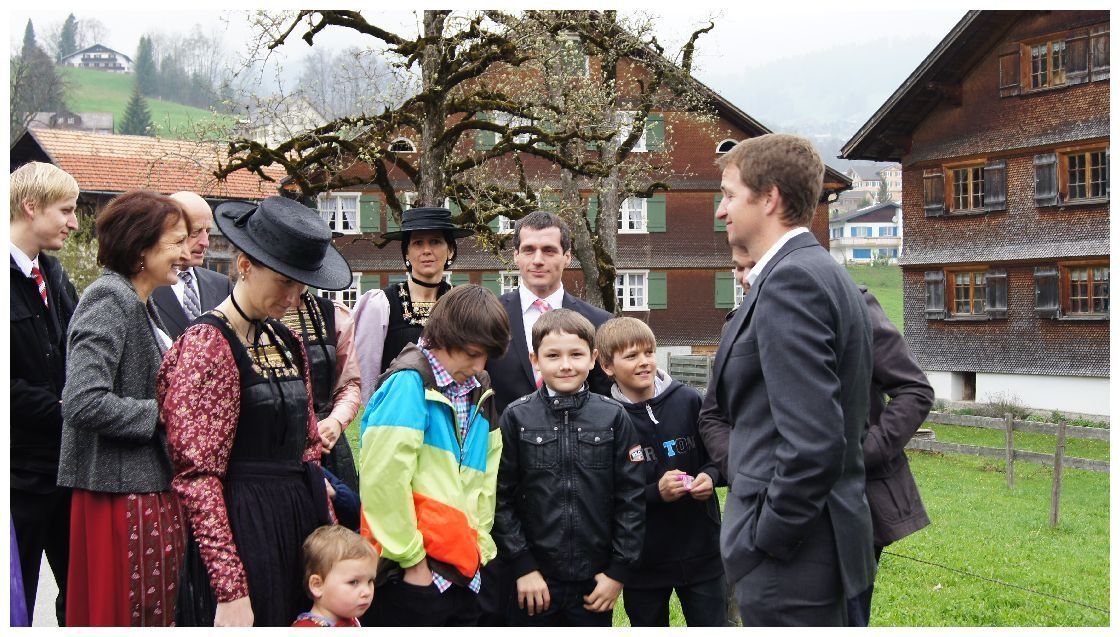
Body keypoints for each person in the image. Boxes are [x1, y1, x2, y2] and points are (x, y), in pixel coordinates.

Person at [158, 196, 351, 626]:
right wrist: (230, 589)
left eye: (302, 286)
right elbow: (197, 477)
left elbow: (308, 449)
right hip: (243, 532)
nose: (295, 298)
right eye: (284, 282)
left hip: (298, 525)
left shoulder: (287, 340)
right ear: (245, 265)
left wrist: (331, 547)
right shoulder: (207, 345)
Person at [711, 133, 875, 626]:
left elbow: (814, 442)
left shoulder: (791, 280)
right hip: (817, 549)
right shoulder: (818, 269)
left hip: (794, 563)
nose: (721, 211)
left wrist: (766, 540)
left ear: (770, 198)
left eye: (729, 195)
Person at [57, 189, 192, 626]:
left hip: (141, 491)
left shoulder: (140, 302)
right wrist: (165, 414)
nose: (186, 254)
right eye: (176, 242)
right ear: (140, 248)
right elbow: (82, 401)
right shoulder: (109, 298)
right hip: (119, 499)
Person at [358, 284, 510, 627]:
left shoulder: (481, 390)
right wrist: (411, 560)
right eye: (471, 353)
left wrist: (479, 544)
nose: (479, 365)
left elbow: (487, 477)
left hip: (463, 567)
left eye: (485, 355)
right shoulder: (407, 385)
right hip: (411, 571)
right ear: (444, 337)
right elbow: (383, 481)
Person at [493, 309, 645, 627]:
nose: (565, 365)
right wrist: (522, 565)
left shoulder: (614, 417)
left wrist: (617, 572)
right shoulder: (516, 417)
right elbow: (499, 497)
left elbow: (631, 497)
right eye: (553, 355)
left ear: (593, 359)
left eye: (576, 354)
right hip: (534, 581)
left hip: (595, 581)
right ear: (535, 360)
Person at [595, 317, 726, 627]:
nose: (644, 362)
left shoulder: (689, 400)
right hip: (643, 560)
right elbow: (605, 492)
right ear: (607, 366)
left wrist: (710, 477)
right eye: (631, 356)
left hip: (702, 553)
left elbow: (717, 457)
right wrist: (656, 493)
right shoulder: (606, 418)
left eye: (649, 352)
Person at [9, 161, 80, 626]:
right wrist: (64, 408)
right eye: (66, 210)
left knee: (80, 598)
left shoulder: (53, 275)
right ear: (31, 207)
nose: (74, 223)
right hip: (18, 476)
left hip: (66, 468)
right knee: (16, 604)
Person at [845, 286, 933, 626]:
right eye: (738, 268)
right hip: (777, 509)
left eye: (749, 267)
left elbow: (914, 390)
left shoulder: (853, 303)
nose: (743, 277)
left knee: (849, 616)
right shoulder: (748, 316)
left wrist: (864, 452)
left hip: (855, 502)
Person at [485, 210, 613, 415]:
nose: (538, 260)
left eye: (549, 251)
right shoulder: (488, 317)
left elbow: (606, 398)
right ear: (516, 256)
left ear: (567, 257)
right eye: (528, 250)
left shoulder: (599, 322)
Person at [352, 206, 475, 403]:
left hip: (452, 412)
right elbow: (366, 378)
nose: (426, 251)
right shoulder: (380, 305)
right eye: (418, 243)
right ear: (407, 253)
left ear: (450, 250)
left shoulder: (462, 304)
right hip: (396, 413)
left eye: (435, 241)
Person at [282, 288, 362, 493]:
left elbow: (349, 383)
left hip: (328, 446)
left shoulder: (333, 314)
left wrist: (336, 421)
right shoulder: (253, 316)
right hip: (277, 450)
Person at [151, 192, 232, 339]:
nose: (205, 243)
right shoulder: (144, 286)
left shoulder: (222, 285)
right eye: (195, 232)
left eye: (208, 231)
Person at [292, 525, 378, 627]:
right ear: (317, 585)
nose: (367, 592)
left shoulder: (351, 619)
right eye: (353, 582)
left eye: (370, 581)